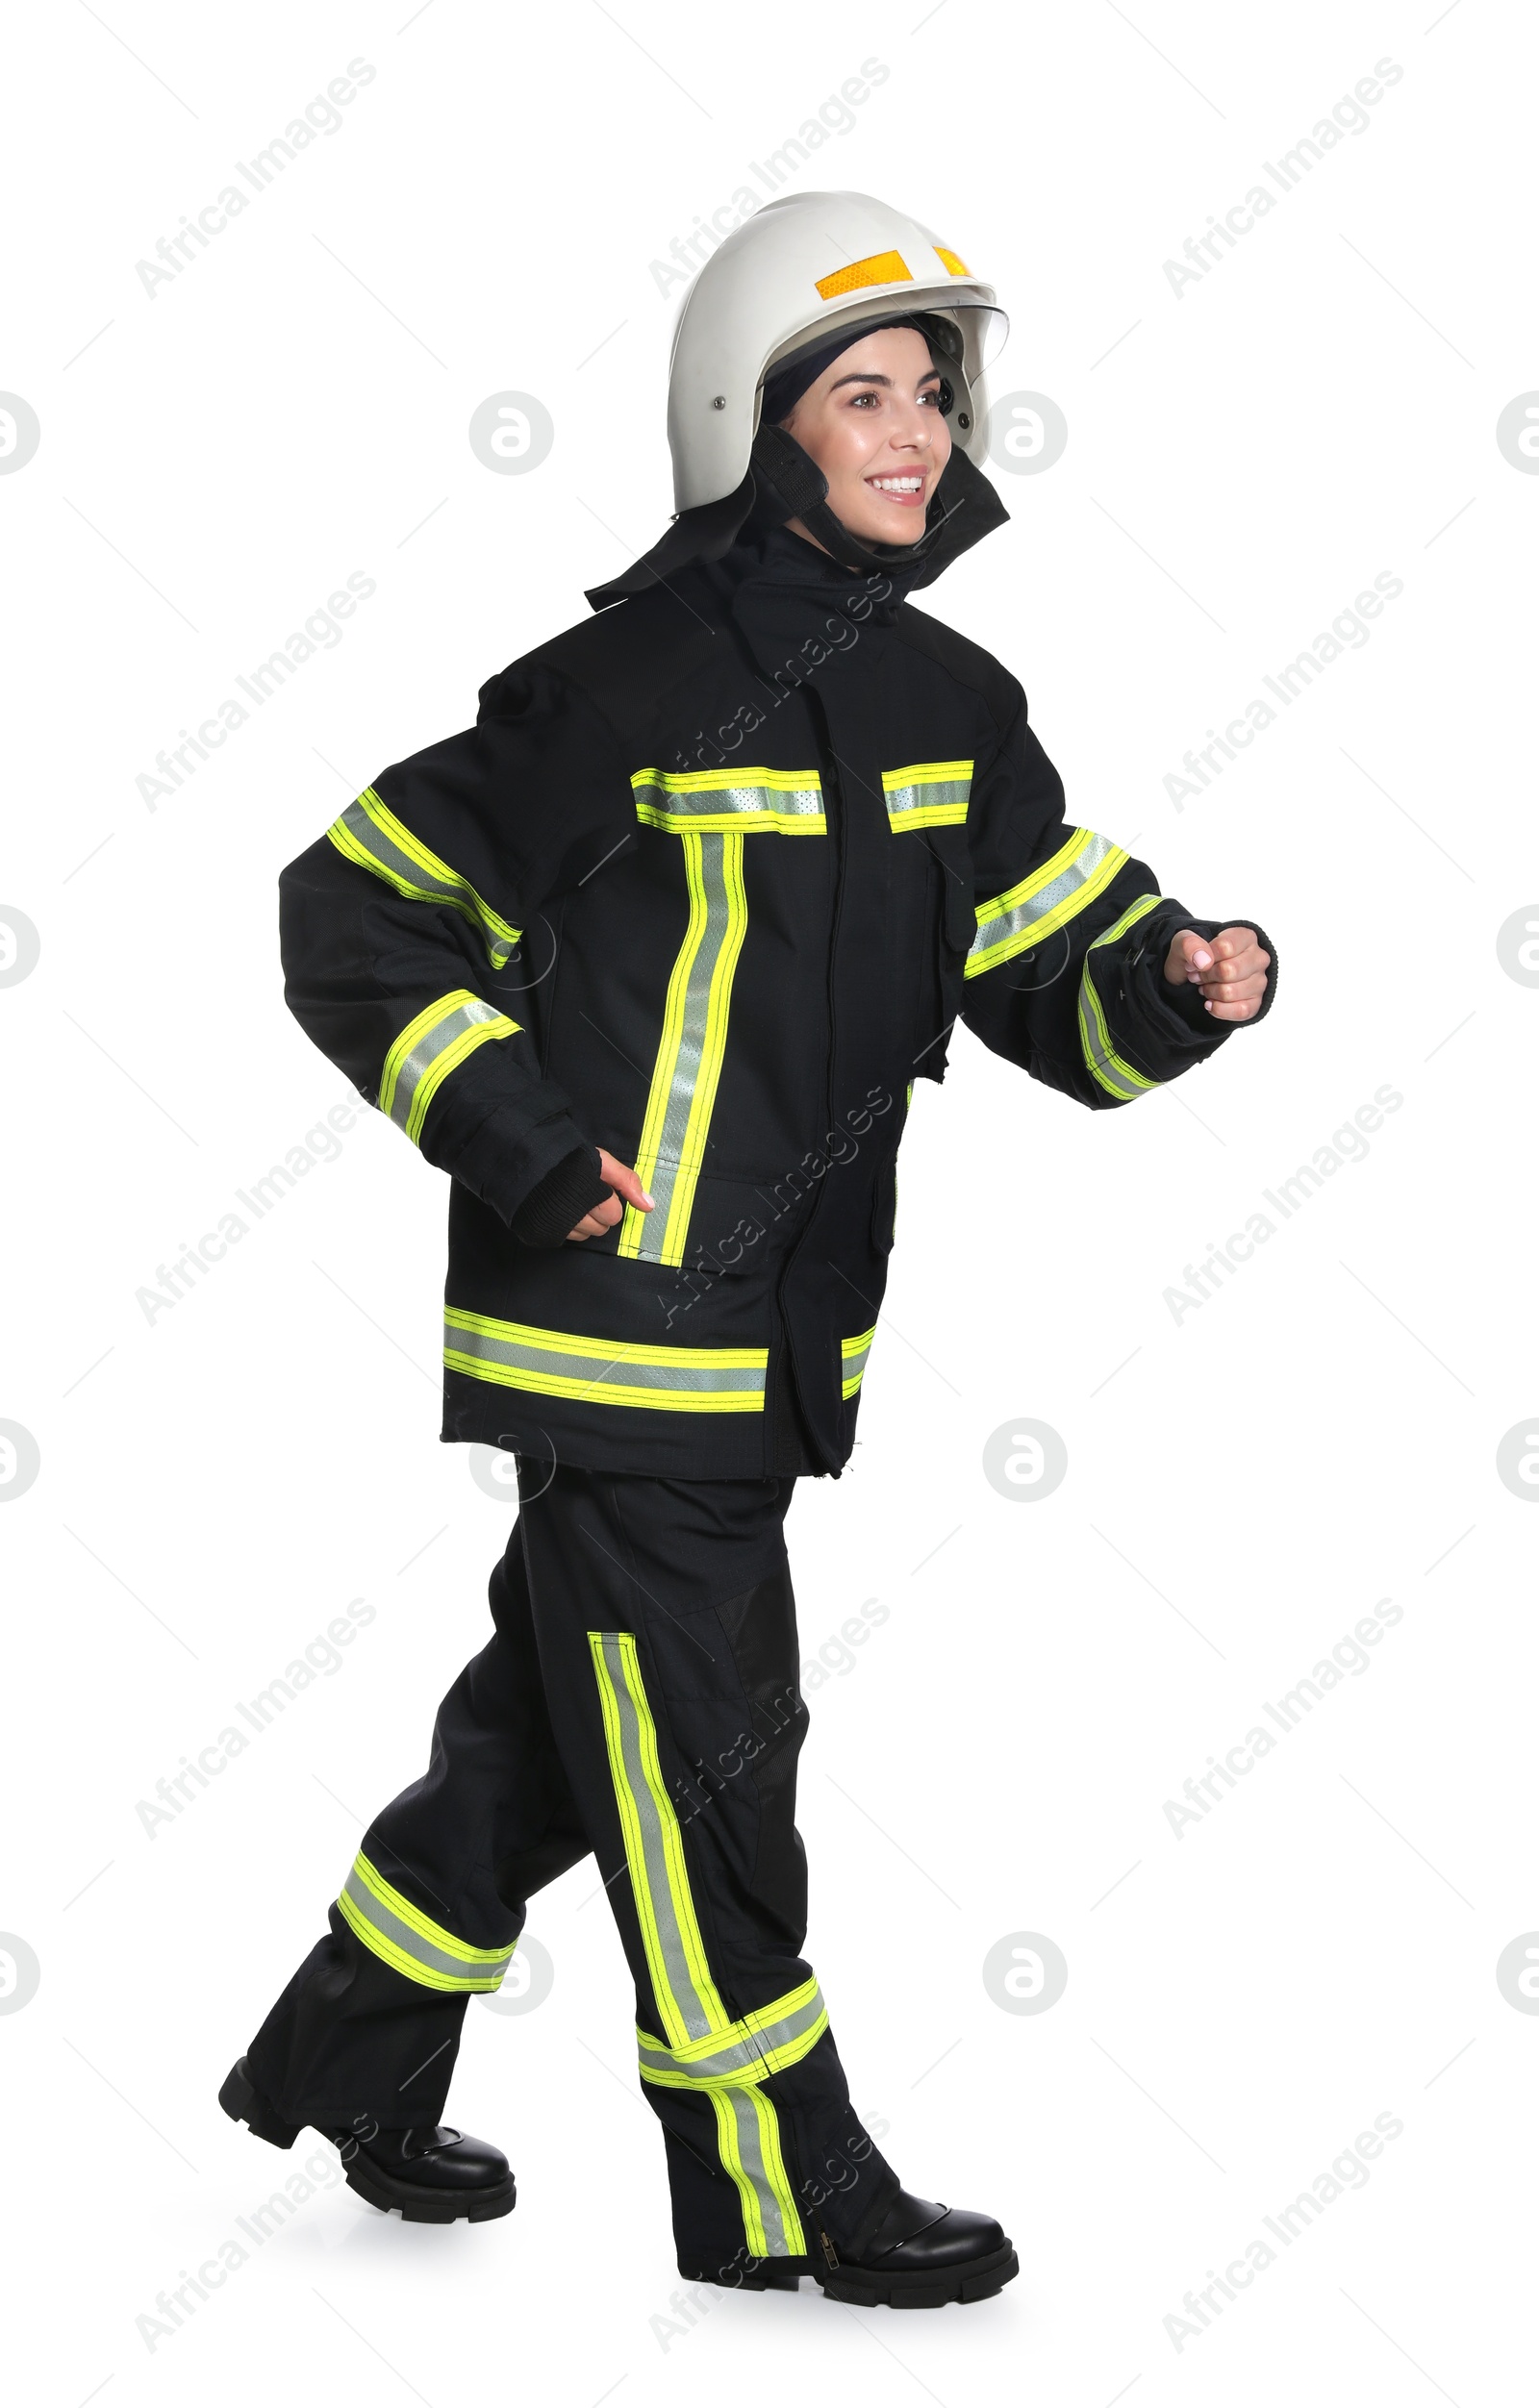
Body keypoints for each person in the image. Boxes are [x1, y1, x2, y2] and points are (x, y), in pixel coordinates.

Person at [218, 189, 1275, 2311]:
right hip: (614, 1335)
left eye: (931, 393)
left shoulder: (956, 707)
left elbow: (1044, 976)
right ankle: (771, 2177)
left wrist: (1175, 977)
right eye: (861, 393)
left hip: (788, 1349)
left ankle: (347, 2044)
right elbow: (348, 906)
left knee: (563, 1715)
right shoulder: (613, 687)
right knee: (714, 1750)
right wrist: (521, 1139)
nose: (912, 430)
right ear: (751, 421)